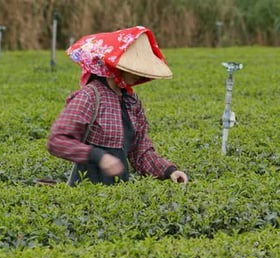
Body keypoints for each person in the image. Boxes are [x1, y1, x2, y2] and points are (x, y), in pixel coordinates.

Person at [47, 26, 188, 186]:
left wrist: (169, 171)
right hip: (84, 194)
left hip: (118, 196)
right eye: (134, 67)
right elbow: (56, 140)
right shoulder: (90, 96)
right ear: (115, 65)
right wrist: (98, 156)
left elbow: (140, 150)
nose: (139, 74)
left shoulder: (132, 101)